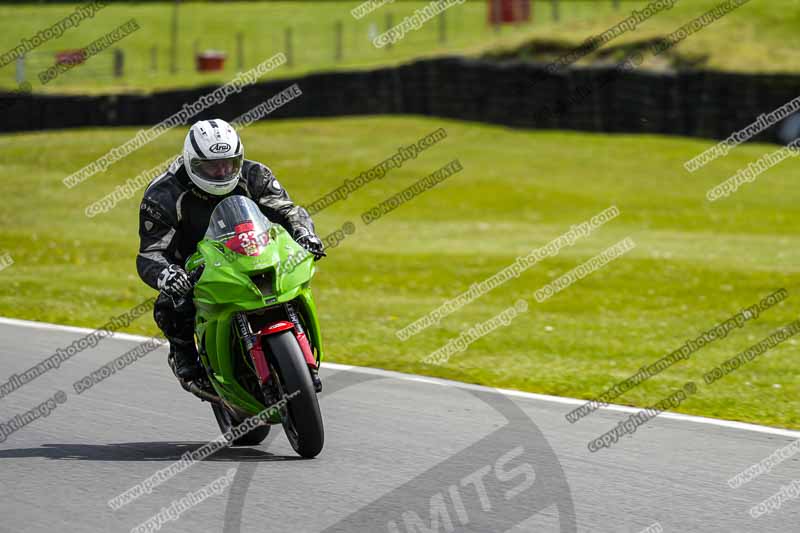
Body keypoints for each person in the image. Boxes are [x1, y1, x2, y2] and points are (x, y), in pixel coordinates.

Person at [136, 119, 325, 381]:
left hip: (253, 249)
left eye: (229, 162)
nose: (223, 171)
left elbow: (288, 211)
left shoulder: (256, 175)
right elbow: (150, 253)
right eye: (212, 166)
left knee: (295, 280)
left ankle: (302, 347)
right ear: (192, 162)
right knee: (170, 306)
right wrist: (169, 275)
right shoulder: (163, 195)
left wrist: (306, 234)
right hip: (194, 267)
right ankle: (184, 355)